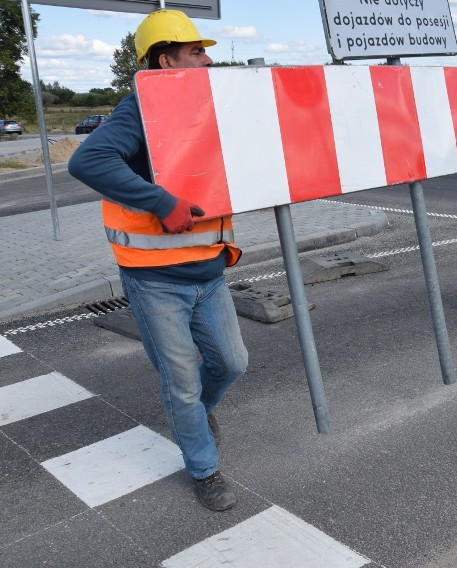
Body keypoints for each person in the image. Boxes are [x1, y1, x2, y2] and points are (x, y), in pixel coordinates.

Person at [68, 9, 247, 512]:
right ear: (165, 61)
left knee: (231, 364)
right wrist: (161, 202)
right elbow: (88, 161)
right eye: (196, 52)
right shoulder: (138, 110)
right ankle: (204, 470)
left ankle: (193, 416)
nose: (208, 60)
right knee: (181, 381)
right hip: (155, 278)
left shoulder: (204, 106)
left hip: (208, 269)